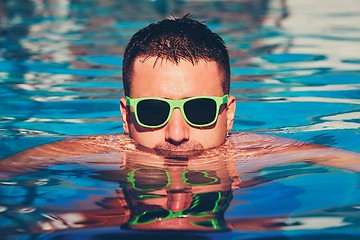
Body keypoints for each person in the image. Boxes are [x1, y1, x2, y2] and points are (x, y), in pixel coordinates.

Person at [0, 15, 359, 177]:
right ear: (126, 116)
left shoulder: (258, 154)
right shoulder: (100, 155)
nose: (176, 133)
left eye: (200, 110)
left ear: (228, 113)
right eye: (153, 111)